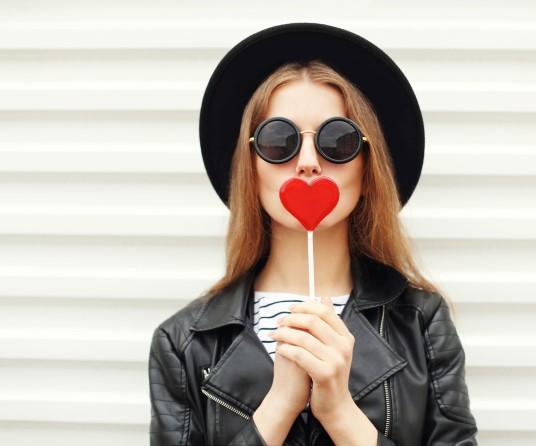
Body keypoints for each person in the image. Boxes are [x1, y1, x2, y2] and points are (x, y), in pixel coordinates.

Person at [148, 22, 478, 446]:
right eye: (278, 140)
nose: (307, 162)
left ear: (366, 164)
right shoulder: (183, 343)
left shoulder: (421, 322)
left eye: (336, 141)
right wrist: (281, 403)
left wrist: (340, 413)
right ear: (249, 165)